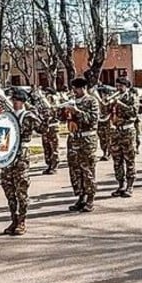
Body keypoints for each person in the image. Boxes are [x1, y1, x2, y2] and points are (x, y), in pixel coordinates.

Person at [0, 89, 42, 235]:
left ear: (22, 102)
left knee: (21, 189)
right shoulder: (6, 116)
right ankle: (14, 219)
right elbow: (2, 137)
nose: (14, 102)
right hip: (7, 156)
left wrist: (38, 111)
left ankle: (22, 221)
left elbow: (43, 128)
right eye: (13, 100)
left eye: (16, 100)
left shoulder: (28, 116)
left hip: (21, 156)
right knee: (8, 189)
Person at [63, 77, 99, 212]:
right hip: (73, 139)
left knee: (87, 170)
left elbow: (93, 119)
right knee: (75, 170)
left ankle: (90, 198)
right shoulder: (71, 101)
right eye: (73, 88)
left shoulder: (91, 101)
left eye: (77, 88)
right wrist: (64, 111)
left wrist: (77, 112)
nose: (74, 91)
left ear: (83, 88)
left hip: (87, 140)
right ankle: (80, 196)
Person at [108, 77, 138, 197]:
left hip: (128, 131)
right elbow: (105, 112)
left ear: (126, 87)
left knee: (129, 159)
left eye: (121, 86)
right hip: (116, 132)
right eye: (117, 86)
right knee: (117, 160)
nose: (118, 88)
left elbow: (134, 112)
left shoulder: (132, 97)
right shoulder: (114, 97)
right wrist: (106, 103)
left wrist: (120, 104)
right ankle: (120, 185)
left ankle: (130, 186)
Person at [37, 87, 60, 175]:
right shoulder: (44, 103)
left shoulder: (55, 101)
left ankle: (54, 166)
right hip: (45, 128)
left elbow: (54, 112)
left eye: (46, 93)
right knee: (46, 148)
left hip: (53, 128)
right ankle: (49, 165)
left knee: (54, 148)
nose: (45, 95)